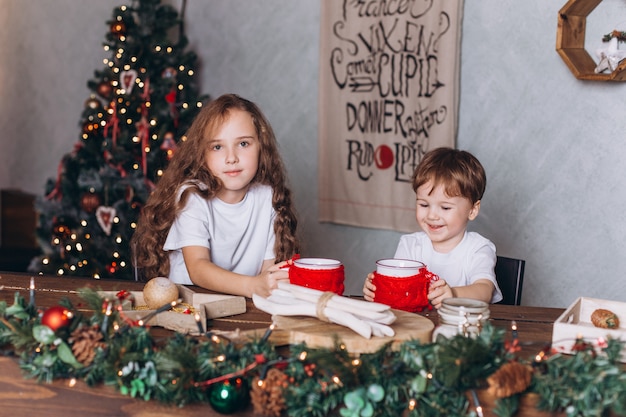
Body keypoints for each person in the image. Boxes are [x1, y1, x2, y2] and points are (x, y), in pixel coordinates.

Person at [132, 93, 300, 298]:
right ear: (202, 154)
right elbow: (198, 268)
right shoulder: (192, 196)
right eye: (218, 147)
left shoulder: (268, 197)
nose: (232, 158)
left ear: (261, 147)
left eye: (244, 144)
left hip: (241, 305)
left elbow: (268, 273)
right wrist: (254, 286)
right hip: (190, 304)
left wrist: (269, 283)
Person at [363, 147, 502, 309]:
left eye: (445, 208)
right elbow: (399, 287)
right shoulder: (410, 244)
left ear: (472, 210)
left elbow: (485, 290)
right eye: (424, 204)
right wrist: (378, 287)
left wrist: (454, 294)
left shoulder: (478, 248)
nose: (432, 216)